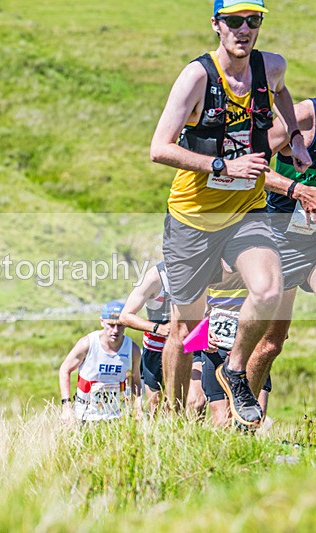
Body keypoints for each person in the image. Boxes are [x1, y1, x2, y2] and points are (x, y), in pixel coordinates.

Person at [149, 0, 312, 428]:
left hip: (247, 212)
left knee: (269, 290)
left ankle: (235, 370)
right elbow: (159, 148)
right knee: (186, 329)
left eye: (252, 21)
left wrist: (294, 137)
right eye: (234, 21)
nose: (244, 29)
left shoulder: (271, 66)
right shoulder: (197, 77)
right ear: (216, 25)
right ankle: (172, 418)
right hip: (193, 218)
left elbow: (281, 92)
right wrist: (223, 165)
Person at [240, 99, 316, 398]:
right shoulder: (301, 118)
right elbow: (249, 166)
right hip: (284, 239)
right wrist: (297, 191)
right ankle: (241, 417)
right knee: (270, 344)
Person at [120, 262, 205, 413]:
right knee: (157, 407)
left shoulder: (201, 270)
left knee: (197, 402)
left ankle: (196, 434)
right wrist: (158, 328)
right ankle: (168, 433)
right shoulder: (155, 277)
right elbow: (125, 316)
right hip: (156, 349)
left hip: (192, 345)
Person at [200, 274, 273, 426]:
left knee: (255, 419)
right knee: (222, 422)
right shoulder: (211, 264)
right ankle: (226, 450)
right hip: (217, 348)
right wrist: (202, 333)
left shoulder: (261, 267)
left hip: (251, 351)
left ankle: (245, 449)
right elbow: (194, 309)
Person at [60, 302, 142, 423]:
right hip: (85, 415)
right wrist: (66, 406)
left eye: (120, 325)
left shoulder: (132, 349)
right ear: (102, 321)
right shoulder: (87, 344)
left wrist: (138, 408)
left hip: (117, 416)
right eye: (111, 325)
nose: (115, 330)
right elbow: (64, 370)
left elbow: (136, 382)